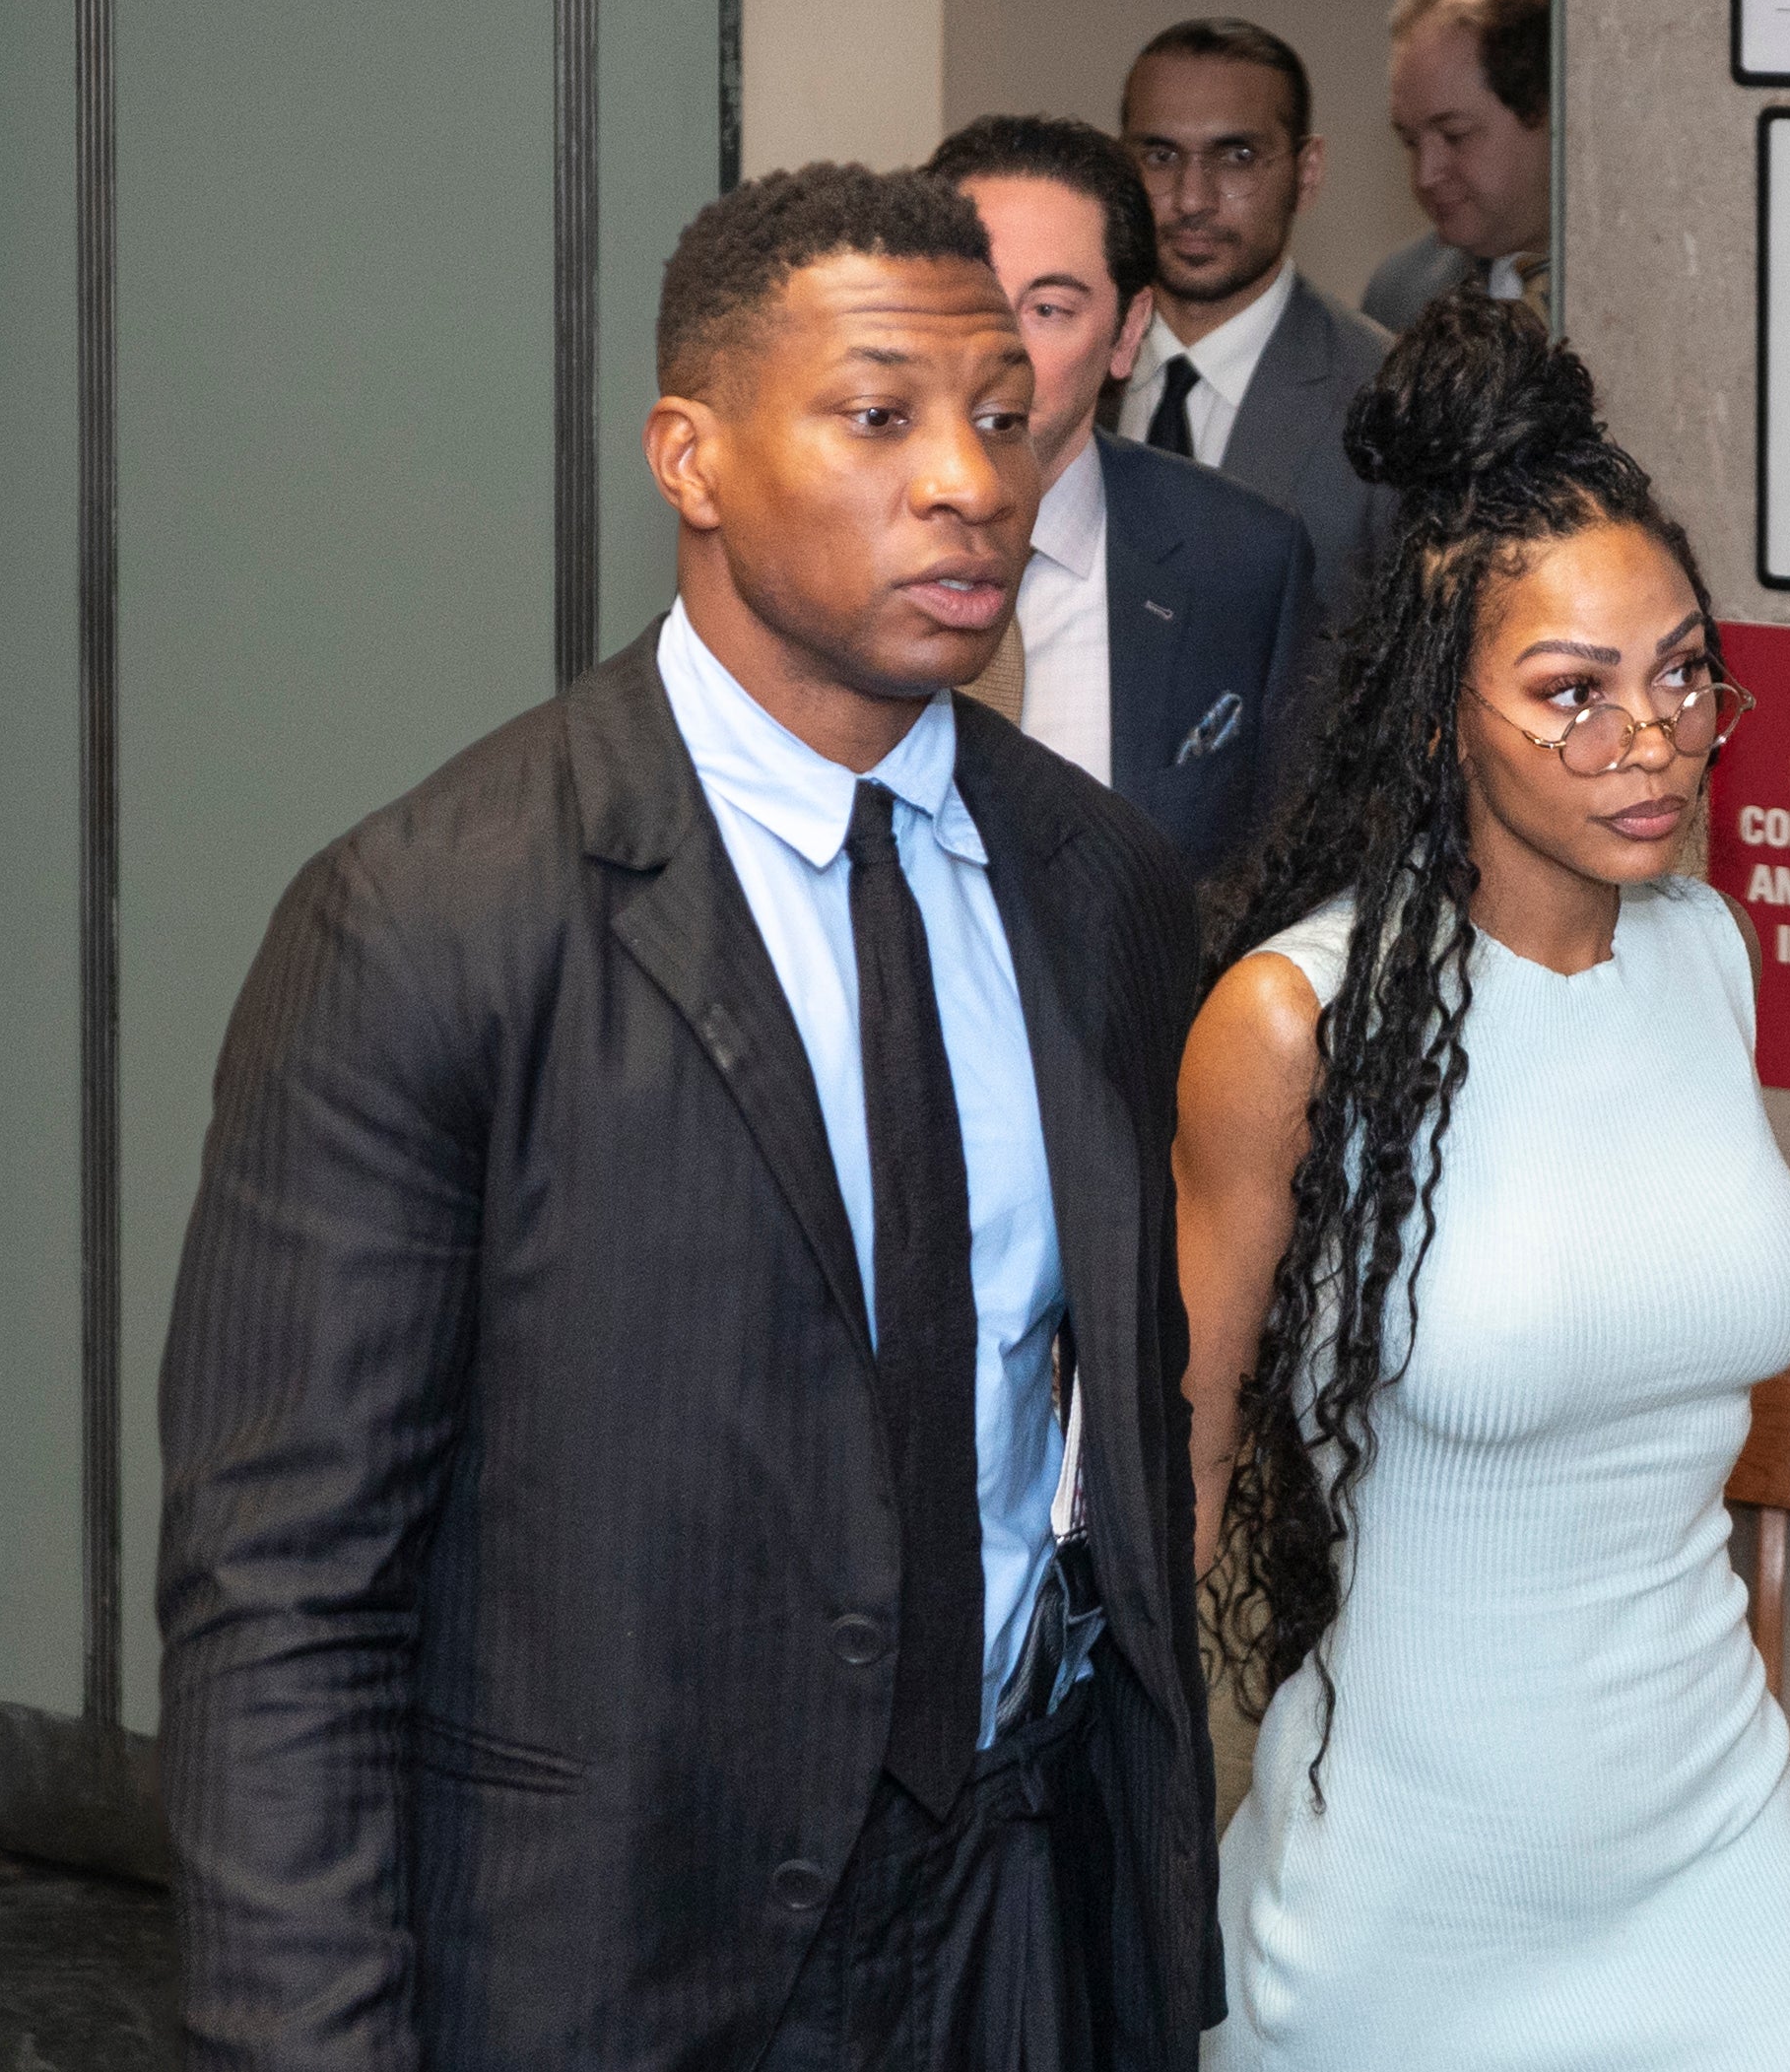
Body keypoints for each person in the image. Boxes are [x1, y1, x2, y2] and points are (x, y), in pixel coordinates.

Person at [157, 163, 1223, 2071]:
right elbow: (285, 1609)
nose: (972, 480)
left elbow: (1099, 1444)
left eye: (998, 415)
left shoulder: (1101, 888)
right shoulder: (430, 927)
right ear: (692, 456)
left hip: (1014, 1930)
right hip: (614, 1971)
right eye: (879, 418)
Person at [1175, 294, 1790, 2069]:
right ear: (1436, 722)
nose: (1646, 737)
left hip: (1711, 1842)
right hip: (1415, 1888)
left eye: (1681, 672)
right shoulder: (1290, 1026)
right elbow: (1171, 1491)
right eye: (1569, 693)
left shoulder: (1705, 958)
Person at [923, 114, 1319, 887]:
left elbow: (1289, 874)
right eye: (970, 299)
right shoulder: (816, 544)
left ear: (1126, 332)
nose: (998, 350)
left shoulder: (1242, 561)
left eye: (1048, 310)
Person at [1116, 19, 1398, 632]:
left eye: (1236, 157)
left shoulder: (1390, 397)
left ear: (1307, 172)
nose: (1193, 199)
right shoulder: (1060, 371)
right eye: (1160, 157)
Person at [1365, 0, 1555, 333]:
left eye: (1455, 135)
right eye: (1411, 143)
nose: (1425, 176)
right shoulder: (1400, 299)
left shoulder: (1677, 274)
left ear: (1548, 110)